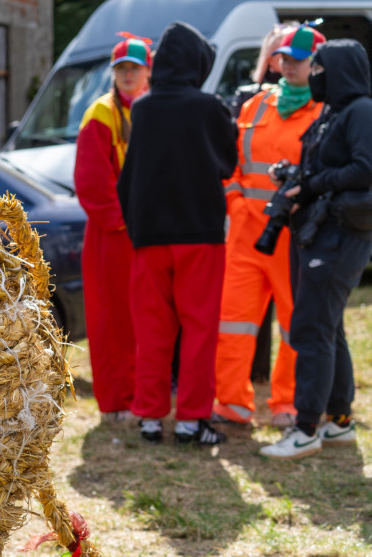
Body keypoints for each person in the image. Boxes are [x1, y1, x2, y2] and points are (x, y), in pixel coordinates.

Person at [116, 21, 239, 445]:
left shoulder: (143, 108)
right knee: (199, 329)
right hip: (199, 235)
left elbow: (126, 179)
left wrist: (137, 228)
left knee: (152, 331)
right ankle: (191, 421)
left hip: (149, 238)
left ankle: (150, 418)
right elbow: (227, 163)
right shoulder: (209, 106)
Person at [260, 39, 372, 459]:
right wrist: (294, 176)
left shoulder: (360, 110)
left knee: (310, 327)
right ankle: (339, 420)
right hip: (321, 232)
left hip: (342, 235)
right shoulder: (336, 112)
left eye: (320, 69)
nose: (315, 77)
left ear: (338, 71)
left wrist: (308, 185)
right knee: (329, 326)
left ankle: (306, 428)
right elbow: (329, 166)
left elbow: (365, 168)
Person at [214, 24, 325, 429]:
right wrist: (235, 202)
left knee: (295, 326)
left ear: (317, 66)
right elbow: (232, 166)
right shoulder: (254, 106)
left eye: (299, 62)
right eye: (284, 60)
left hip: (295, 238)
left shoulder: (325, 114)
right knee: (233, 323)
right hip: (246, 236)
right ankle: (231, 405)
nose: (289, 68)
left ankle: (287, 405)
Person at [74, 33, 152, 423]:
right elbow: (91, 181)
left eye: (133, 69)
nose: (126, 75)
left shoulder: (154, 110)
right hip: (114, 234)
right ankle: (117, 401)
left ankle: (146, 396)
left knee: (147, 319)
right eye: (121, 69)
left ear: (147, 72)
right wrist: (122, 221)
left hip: (150, 232)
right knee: (112, 321)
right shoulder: (100, 114)